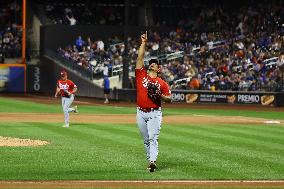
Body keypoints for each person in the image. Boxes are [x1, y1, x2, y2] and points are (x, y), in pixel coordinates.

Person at [135, 32, 171, 172]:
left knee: (153, 138)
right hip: (140, 113)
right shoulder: (141, 75)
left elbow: (169, 99)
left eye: (155, 64)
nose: (152, 64)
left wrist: (160, 95)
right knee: (145, 140)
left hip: (154, 113)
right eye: (151, 63)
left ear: (159, 69)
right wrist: (143, 43)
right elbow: (140, 57)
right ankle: (150, 159)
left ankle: (152, 161)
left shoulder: (162, 83)